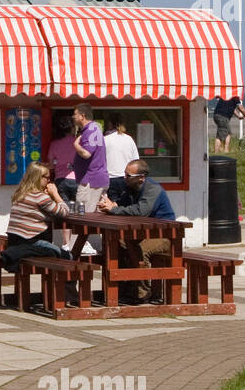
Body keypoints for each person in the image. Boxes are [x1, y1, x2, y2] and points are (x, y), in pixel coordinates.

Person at [97, 159, 176, 304]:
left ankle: (143, 293)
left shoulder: (153, 189)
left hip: (165, 235)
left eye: (128, 175)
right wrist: (112, 205)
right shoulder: (130, 187)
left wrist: (114, 209)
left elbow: (141, 211)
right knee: (117, 244)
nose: (124, 178)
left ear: (141, 177)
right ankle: (121, 289)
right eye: (125, 174)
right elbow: (123, 205)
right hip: (144, 233)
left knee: (140, 250)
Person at [0, 162, 71, 273]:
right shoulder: (40, 197)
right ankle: (66, 290)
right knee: (67, 257)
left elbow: (45, 212)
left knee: (56, 253)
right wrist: (55, 194)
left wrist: (49, 197)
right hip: (31, 241)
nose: (49, 180)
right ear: (38, 178)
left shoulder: (21, 193)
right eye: (47, 177)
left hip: (14, 240)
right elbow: (64, 212)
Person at [71, 102, 108, 213]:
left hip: (91, 181)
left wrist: (76, 145)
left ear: (82, 116)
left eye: (75, 114)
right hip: (96, 179)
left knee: (85, 215)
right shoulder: (94, 128)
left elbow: (86, 153)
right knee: (97, 217)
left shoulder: (91, 130)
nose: (73, 117)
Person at [104, 114, 140, 202]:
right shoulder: (129, 139)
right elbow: (136, 160)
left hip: (110, 178)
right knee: (127, 205)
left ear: (110, 124)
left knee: (112, 207)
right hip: (127, 178)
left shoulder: (105, 139)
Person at [46, 115, 78, 203]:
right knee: (77, 208)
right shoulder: (78, 141)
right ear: (71, 128)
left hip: (60, 180)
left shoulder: (54, 144)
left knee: (63, 207)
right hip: (76, 179)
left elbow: (51, 165)